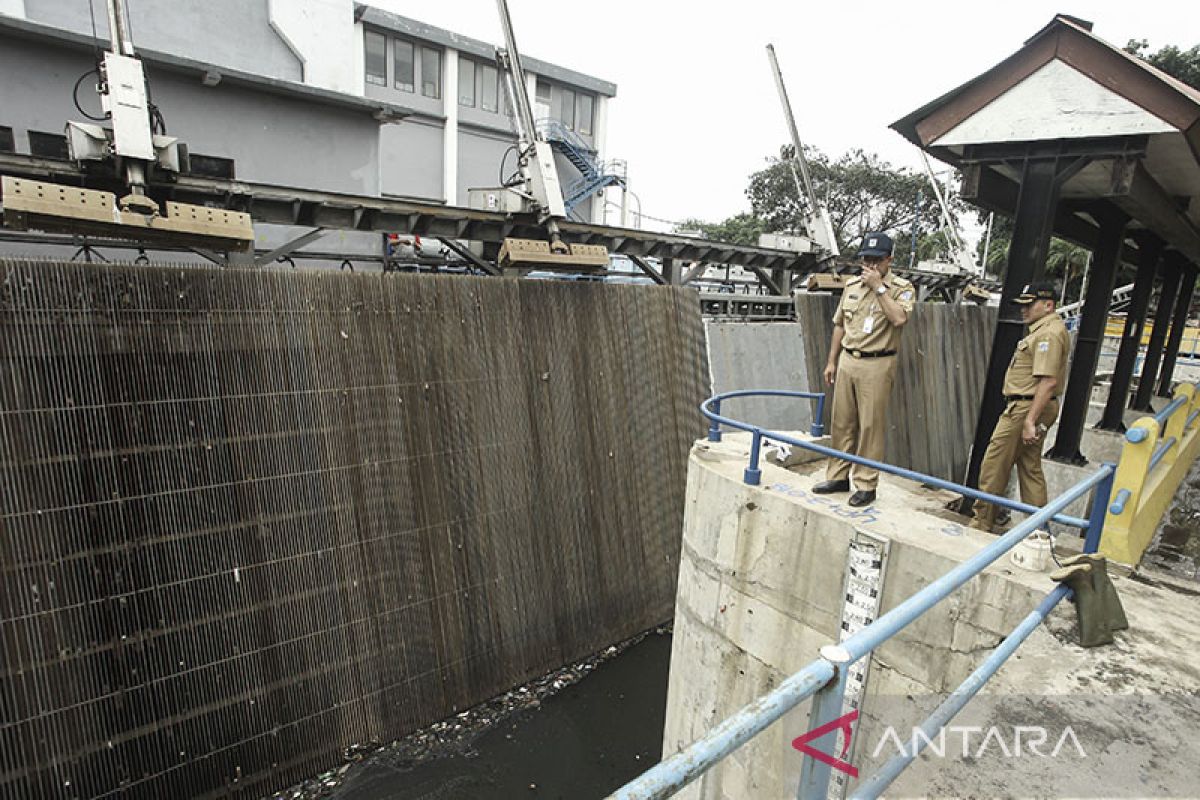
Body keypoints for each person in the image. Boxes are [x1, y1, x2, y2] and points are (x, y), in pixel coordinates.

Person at [812, 232, 915, 507]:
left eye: (875, 260)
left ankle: (866, 483)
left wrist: (879, 287)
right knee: (842, 421)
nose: (869, 265)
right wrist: (832, 360)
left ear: (888, 260)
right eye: (865, 260)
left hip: (878, 362)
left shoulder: (901, 288)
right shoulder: (852, 286)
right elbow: (840, 324)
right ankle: (837, 476)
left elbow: (899, 318)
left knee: (870, 426)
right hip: (849, 358)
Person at [970, 281, 1070, 533]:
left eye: (1029, 305)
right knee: (1029, 468)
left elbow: (1048, 382)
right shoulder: (1046, 330)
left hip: (1026, 407)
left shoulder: (1048, 334)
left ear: (1048, 305)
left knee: (994, 464)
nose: (1023, 310)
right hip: (1031, 406)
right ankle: (1038, 530)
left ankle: (981, 522)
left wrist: (1029, 420)